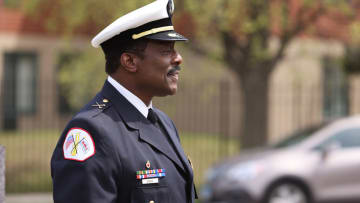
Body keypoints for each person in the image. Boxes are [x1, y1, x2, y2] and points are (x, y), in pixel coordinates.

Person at [50, 0, 197, 202]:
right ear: (129, 61)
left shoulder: (164, 123)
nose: (178, 58)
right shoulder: (92, 132)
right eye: (166, 50)